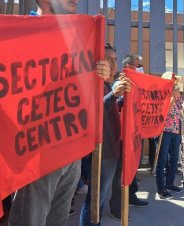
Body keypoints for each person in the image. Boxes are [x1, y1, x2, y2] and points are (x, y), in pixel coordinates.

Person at [8, 1, 113, 226]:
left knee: (59, 220)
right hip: (37, 153)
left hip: (71, 153)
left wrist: (99, 73)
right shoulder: (20, 33)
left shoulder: (75, 37)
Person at [79, 44, 131, 226]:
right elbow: (91, 114)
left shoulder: (108, 85)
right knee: (94, 200)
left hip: (110, 150)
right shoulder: (94, 84)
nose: (113, 63)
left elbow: (108, 111)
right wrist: (114, 95)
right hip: (100, 152)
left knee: (99, 199)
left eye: (115, 59)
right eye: (108, 59)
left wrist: (120, 99)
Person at [108, 53, 149, 221]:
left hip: (134, 134)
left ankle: (131, 195)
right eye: (138, 65)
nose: (140, 68)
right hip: (122, 137)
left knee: (133, 167)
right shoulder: (120, 84)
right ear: (129, 67)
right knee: (119, 173)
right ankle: (116, 206)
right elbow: (114, 107)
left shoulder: (136, 84)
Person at [155, 72, 183, 199]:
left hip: (176, 132)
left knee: (173, 159)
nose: (175, 84)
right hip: (164, 131)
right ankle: (161, 188)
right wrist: (172, 97)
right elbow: (163, 112)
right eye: (173, 82)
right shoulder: (161, 96)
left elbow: (179, 114)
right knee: (162, 160)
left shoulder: (179, 98)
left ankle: (170, 183)